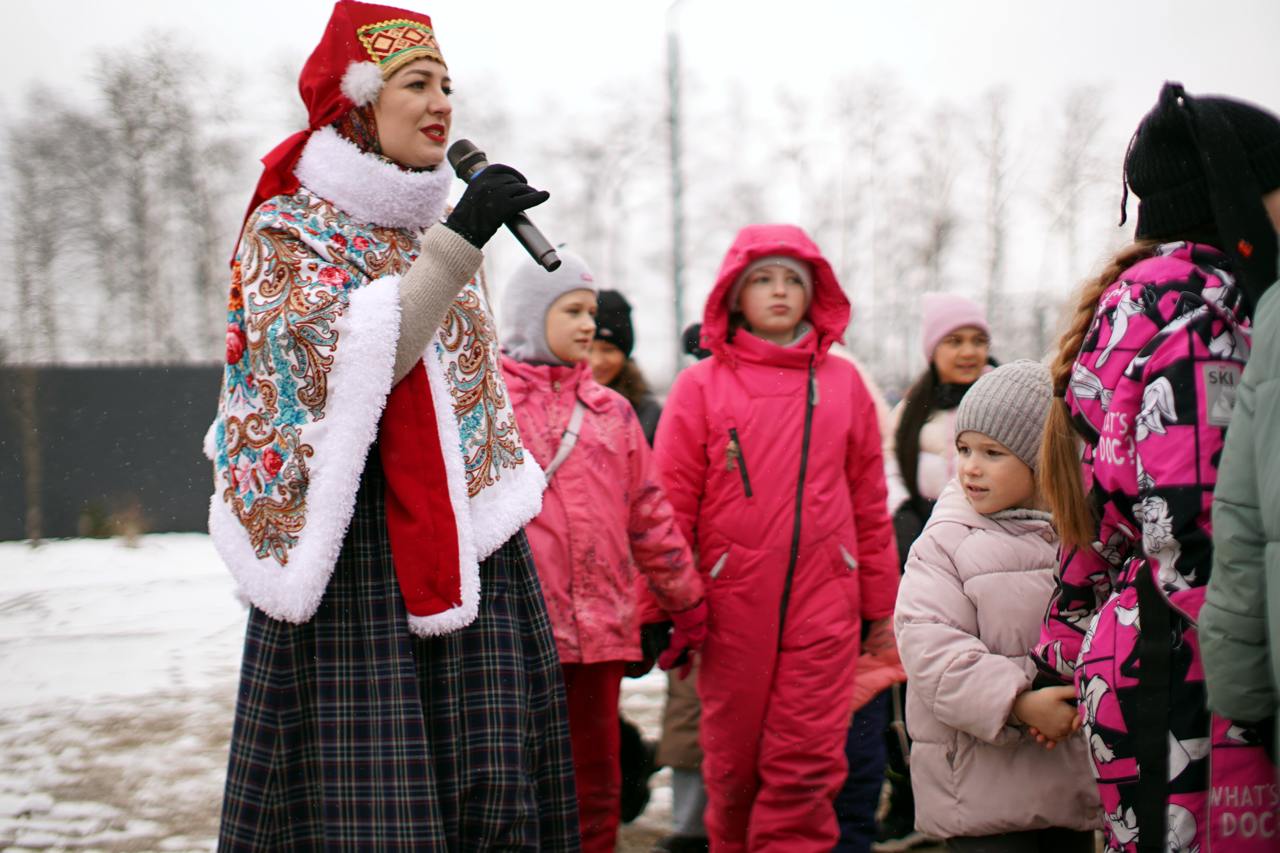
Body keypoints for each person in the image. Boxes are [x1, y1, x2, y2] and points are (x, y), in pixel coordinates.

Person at [206, 3, 578, 847]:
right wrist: (461, 238)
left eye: (448, 84)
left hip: (470, 549)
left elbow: (466, 396)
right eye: (418, 83)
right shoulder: (289, 229)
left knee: (490, 786)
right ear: (359, 105)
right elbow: (353, 366)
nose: (443, 100)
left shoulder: (424, 229)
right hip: (358, 565)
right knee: (374, 810)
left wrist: (452, 239)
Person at [1034, 82, 1280, 852]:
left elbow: (1094, 527)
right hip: (1188, 677)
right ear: (1236, 196)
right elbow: (1195, 526)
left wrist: (1063, 645)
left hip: (1137, 657)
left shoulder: (1138, 302)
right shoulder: (1205, 317)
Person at [654, 224, 899, 852]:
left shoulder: (844, 387)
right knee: (733, 773)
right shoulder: (700, 387)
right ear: (734, 293)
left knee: (804, 772)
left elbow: (870, 507)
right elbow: (669, 510)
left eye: (795, 278)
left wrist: (880, 609)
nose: (780, 291)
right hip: (730, 610)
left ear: (815, 292)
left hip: (826, 610)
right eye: (763, 278)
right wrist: (663, 608)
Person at [498, 250, 708, 853]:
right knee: (516, 784)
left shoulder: (612, 413)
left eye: (591, 311)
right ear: (529, 318)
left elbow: (652, 520)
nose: (588, 324)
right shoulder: (489, 407)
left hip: (600, 636)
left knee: (595, 783)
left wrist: (687, 608)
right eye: (572, 310)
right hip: (517, 636)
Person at [895, 360, 1101, 853]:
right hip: (982, 798)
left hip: (1066, 790)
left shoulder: (1077, 540)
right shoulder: (944, 543)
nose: (970, 466)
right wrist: (1017, 703)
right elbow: (931, 650)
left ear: (1043, 462)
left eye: (993, 453)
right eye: (964, 448)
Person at [876, 293, 993, 852]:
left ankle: (987, 796)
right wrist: (902, 518)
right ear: (933, 350)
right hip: (925, 552)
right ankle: (911, 797)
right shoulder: (913, 409)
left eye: (977, 339)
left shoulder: (1004, 397)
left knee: (981, 674)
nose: (968, 352)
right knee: (920, 683)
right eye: (954, 341)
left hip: (993, 557)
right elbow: (890, 467)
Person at [590, 289, 664, 445]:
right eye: (587, 349)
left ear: (625, 354)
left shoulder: (647, 413)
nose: (596, 361)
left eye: (608, 350)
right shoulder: (558, 403)